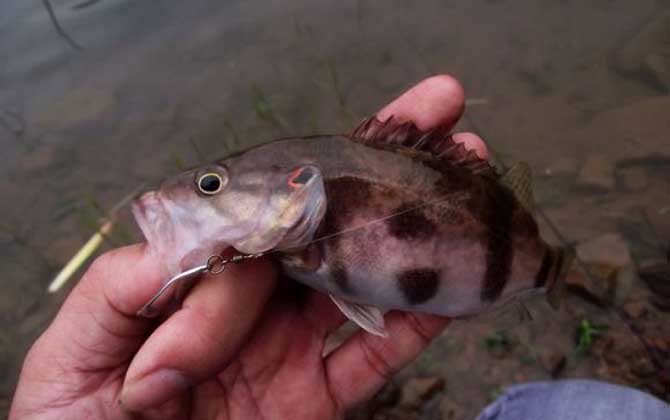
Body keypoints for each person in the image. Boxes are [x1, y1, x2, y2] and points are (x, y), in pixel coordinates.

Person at [10, 75, 670, 420]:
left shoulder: (307, 241)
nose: (188, 195)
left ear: (296, 186)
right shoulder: (295, 247)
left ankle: (564, 272)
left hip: (506, 268)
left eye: (211, 186)